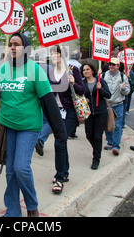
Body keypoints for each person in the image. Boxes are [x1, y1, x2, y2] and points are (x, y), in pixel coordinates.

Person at [0, 33, 66, 217]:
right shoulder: (2, 68)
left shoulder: (35, 70)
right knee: (10, 171)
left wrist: (60, 132)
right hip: (7, 127)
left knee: (21, 167)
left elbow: (48, 103)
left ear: (25, 48)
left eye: (17, 44)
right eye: (10, 44)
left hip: (28, 128)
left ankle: (32, 206)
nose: (12, 47)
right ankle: (13, 211)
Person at [49, 45, 85, 191]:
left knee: (59, 141)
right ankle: (65, 172)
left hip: (70, 112)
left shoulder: (72, 69)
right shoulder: (51, 72)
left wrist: (73, 83)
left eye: (55, 53)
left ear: (61, 55)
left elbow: (82, 90)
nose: (52, 56)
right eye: (51, 54)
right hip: (57, 112)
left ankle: (59, 177)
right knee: (62, 142)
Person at [81, 63, 111, 169]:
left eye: (87, 69)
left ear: (92, 71)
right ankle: (97, 149)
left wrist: (100, 89)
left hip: (100, 112)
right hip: (89, 113)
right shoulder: (82, 82)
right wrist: (84, 99)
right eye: (84, 70)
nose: (85, 72)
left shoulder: (100, 81)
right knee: (89, 135)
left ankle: (96, 159)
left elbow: (108, 94)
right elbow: (79, 95)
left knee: (97, 136)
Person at [102, 57, 130, 155]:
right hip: (106, 104)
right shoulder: (103, 75)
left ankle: (116, 146)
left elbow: (127, 91)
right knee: (107, 124)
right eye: (110, 64)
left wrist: (123, 89)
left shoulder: (123, 77)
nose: (111, 66)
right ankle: (110, 143)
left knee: (117, 126)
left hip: (118, 104)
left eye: (113, 64)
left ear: (118, 66)